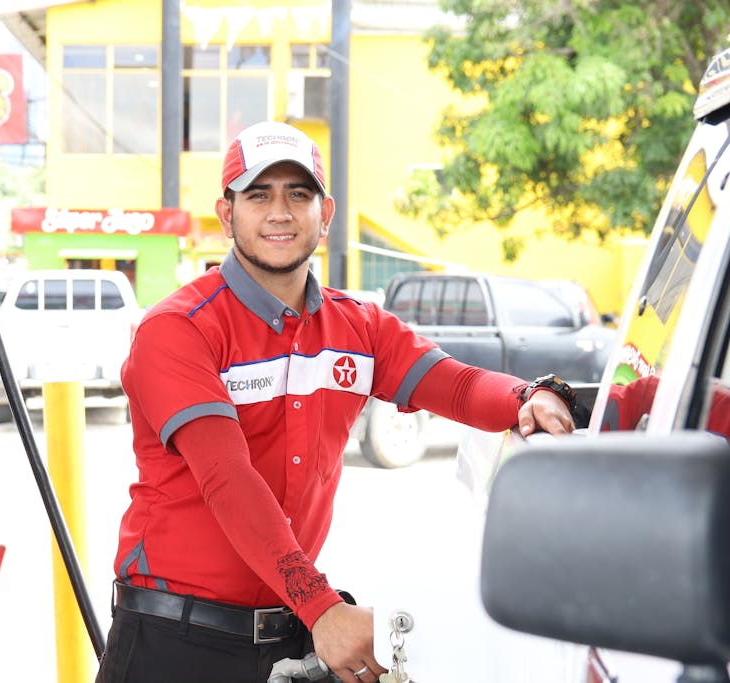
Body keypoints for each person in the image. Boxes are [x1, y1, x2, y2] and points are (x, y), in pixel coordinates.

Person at [95, 121, 576, 683]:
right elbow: (227, 478)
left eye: (298, 194)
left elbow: (461, 386)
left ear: (325, 214)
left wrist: (532, 396)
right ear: (227, 215)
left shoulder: (359, 325)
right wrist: (323, 608)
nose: (280, 212)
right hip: (175, 643)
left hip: (288, 636)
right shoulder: (176, 330)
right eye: (258, 195)